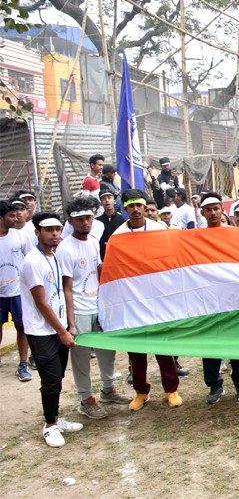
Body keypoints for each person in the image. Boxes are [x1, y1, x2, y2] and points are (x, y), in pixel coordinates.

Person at [58, 197, 131, 419]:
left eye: (89, 217)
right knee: (80, 357)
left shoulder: (91, 241)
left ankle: (108, 390)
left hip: (98, 305)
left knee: (107, 350)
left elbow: (97, 268)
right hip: (79, 309)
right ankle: (86, 399)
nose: (85, 223)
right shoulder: (65, 249)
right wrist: (70, 323)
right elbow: (67, 289)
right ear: (70, 221)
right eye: (80, 219)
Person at [112, 189, 183, 411]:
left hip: (158, 300)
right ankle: (141, 391)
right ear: (124, 208)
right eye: (130, 205)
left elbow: (172, 260)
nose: (135, 209)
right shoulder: (117, 237)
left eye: (139, 205)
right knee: (136, 351)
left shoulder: (159, 229)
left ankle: (171, 389)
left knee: (164, 347)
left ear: (145, 207)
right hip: (133, 302)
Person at [20, 212, 83, 447]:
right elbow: (41, 302)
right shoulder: (32, 261)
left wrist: (70, 323)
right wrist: (63, 332)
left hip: (57, 327)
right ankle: (49, 426)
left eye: (58, 229)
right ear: (37, 233)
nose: (55, 233)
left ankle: (56, 418)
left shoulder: (54, 257)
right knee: (51, 378)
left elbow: (61, 292)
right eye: (49, 230)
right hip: (41, 331)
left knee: (58, 376)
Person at [198, 192, 239, 404]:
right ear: (202, 213)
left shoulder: (235, 234)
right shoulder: (195, 237)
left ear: (222, 210)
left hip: (234, 297)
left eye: (216, 209)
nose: (213, 213)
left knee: (238, 341)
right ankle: (214, 385)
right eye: (208, 210)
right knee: (210, 342)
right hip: (208, 298)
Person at [0, 200, 33, 380]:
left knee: (22, 327)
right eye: (11, 216)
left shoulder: (20, 236)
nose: (16, 218)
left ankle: (23, 364)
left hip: (18, 293)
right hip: (0, 294)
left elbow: (30, 259)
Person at [95, 188, 125, 260]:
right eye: (104, 199)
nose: (107, 200)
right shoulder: (96, 222)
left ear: (114, 201)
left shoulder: (123, 219)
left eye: (109, 198)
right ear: (101, 203)